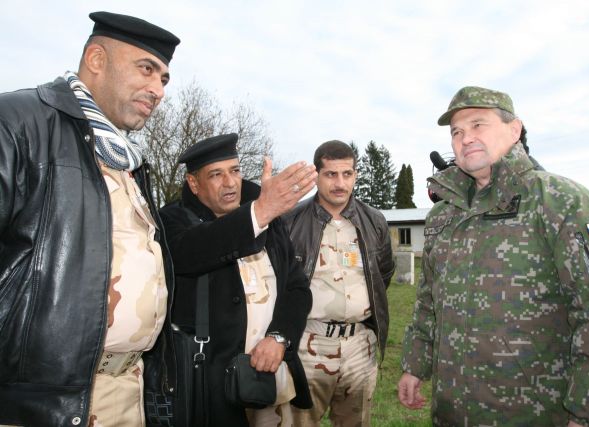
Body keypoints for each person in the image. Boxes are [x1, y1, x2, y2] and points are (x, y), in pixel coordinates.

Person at [398, 86, 589, 426]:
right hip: (452, 409)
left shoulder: (561, 202)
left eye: (478, 125)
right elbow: (428, 300)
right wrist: (414, 365)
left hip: (534, 412)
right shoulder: (444, 215)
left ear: (514, 130)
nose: (465, 138)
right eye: (456, 132)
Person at [0, 11, 180, 427]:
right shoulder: (17, 123)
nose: (158, 90)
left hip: (126, 390)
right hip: (42, 404)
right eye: (147, 69)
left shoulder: (126, 160)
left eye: (164, 79)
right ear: (97, 60)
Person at [160, 133, 317, 426]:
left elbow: (296, 288)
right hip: (210, 391)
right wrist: (259, 214)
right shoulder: (173, 221)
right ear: (193, 183)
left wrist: (279, 337)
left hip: (270, 381)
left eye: (235, 170)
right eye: (216, 174)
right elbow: (192, 251)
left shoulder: (269, 219)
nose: (230, 182)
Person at [283, 140, 395, 426]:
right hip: (307, 346)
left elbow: (383, 274)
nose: (340, 183)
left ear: (356, 175)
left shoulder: (375, 221)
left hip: (359, 349)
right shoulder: (290, 221)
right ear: (316, 176)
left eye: (347, 174)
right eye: (331, 174)